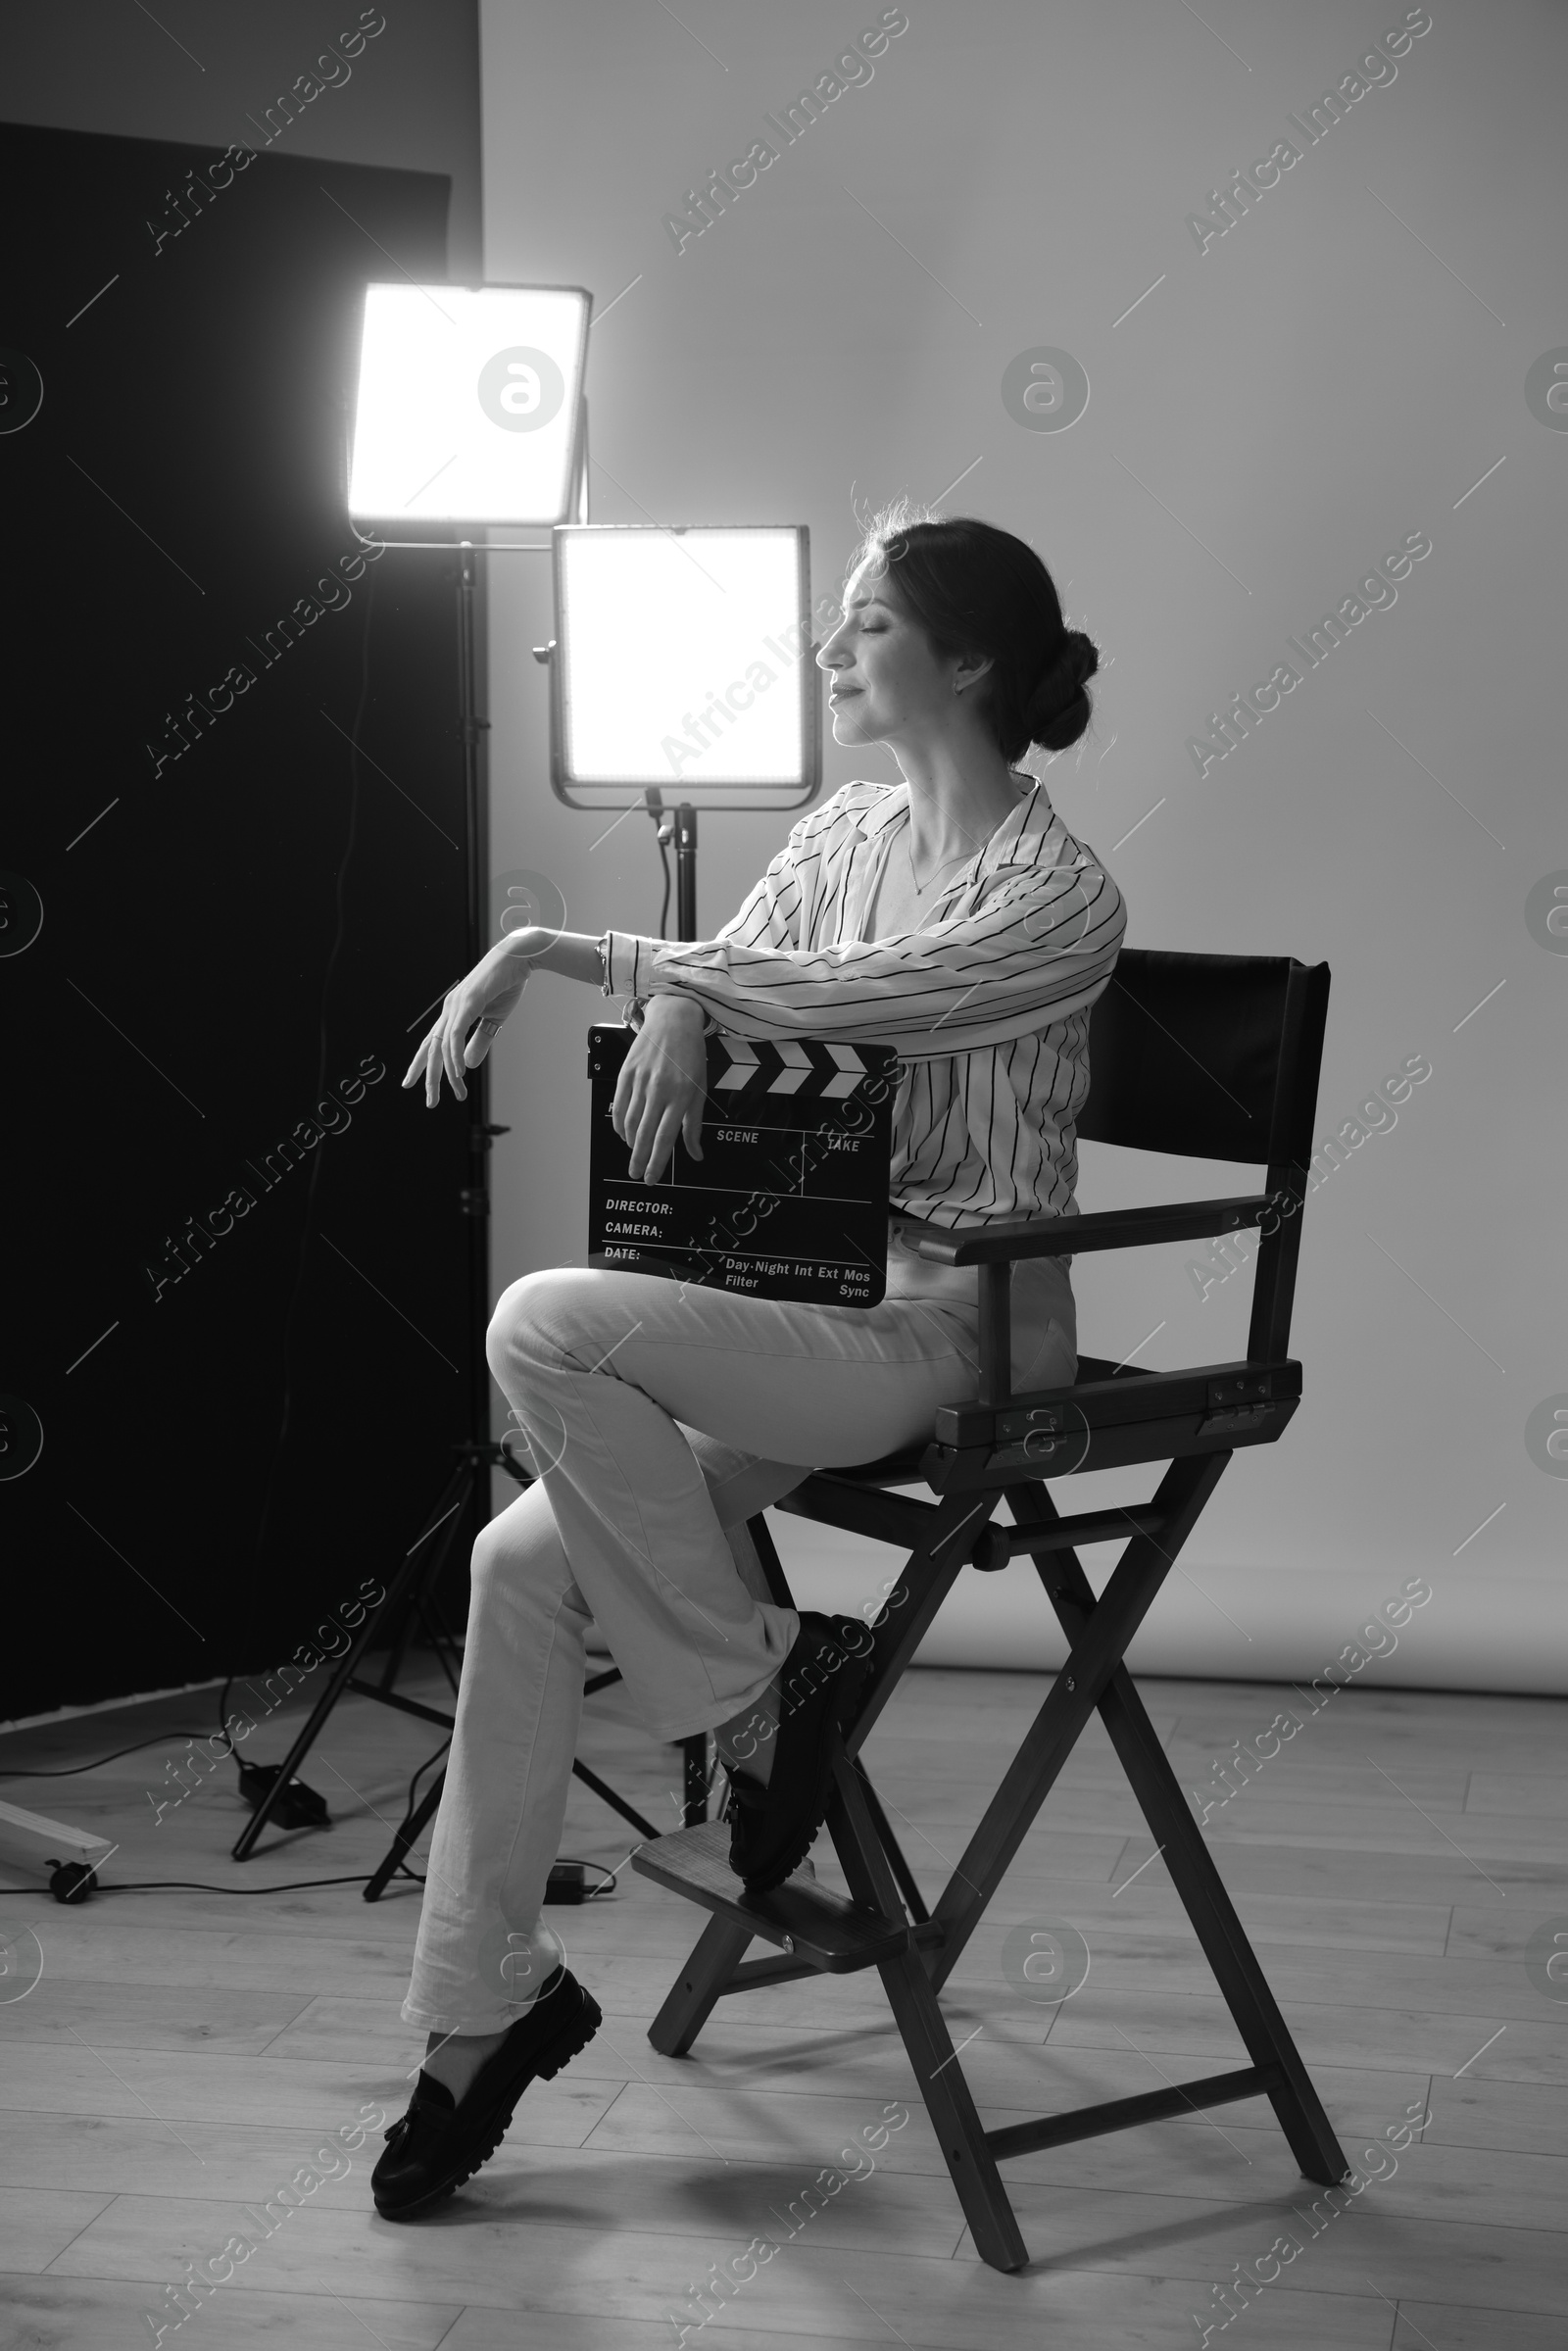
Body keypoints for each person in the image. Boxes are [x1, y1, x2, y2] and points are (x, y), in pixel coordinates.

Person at [369, 502, 1127, 2221]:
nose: (830, 648)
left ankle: (757, 1695)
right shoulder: (845, 823)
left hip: (950, 1327)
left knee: (543, 1321)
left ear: (971, 659)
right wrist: (700, 1003)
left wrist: (561, 949)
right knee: (513, 1568)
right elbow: (765, 963)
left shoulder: (1059, 896)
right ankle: (478, 2012)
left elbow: (863, 995)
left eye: (864, 622)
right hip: (802, 1300)